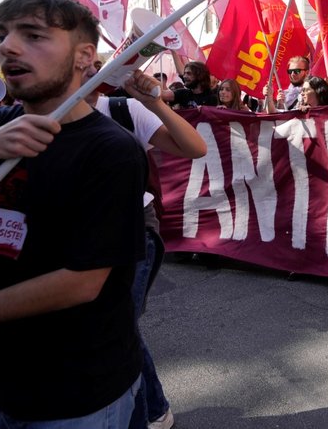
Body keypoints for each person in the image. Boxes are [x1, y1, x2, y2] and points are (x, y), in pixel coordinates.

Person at [0, 0, 147, 426]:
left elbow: (81, 283)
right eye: (2, 35)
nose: (8, 47)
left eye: (33, 35)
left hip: (77, 391)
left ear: (84, 56)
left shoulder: (111, 149)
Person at [85, 61, 207, 429]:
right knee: (113, 328)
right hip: (80, 238)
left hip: (134, 231)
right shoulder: (42, 119)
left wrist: (154, 102)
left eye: (92, 65)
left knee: (117, 326)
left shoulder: (123, 109)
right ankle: (152, 409)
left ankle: (144, 413)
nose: (89, 73)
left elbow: (194, 147)